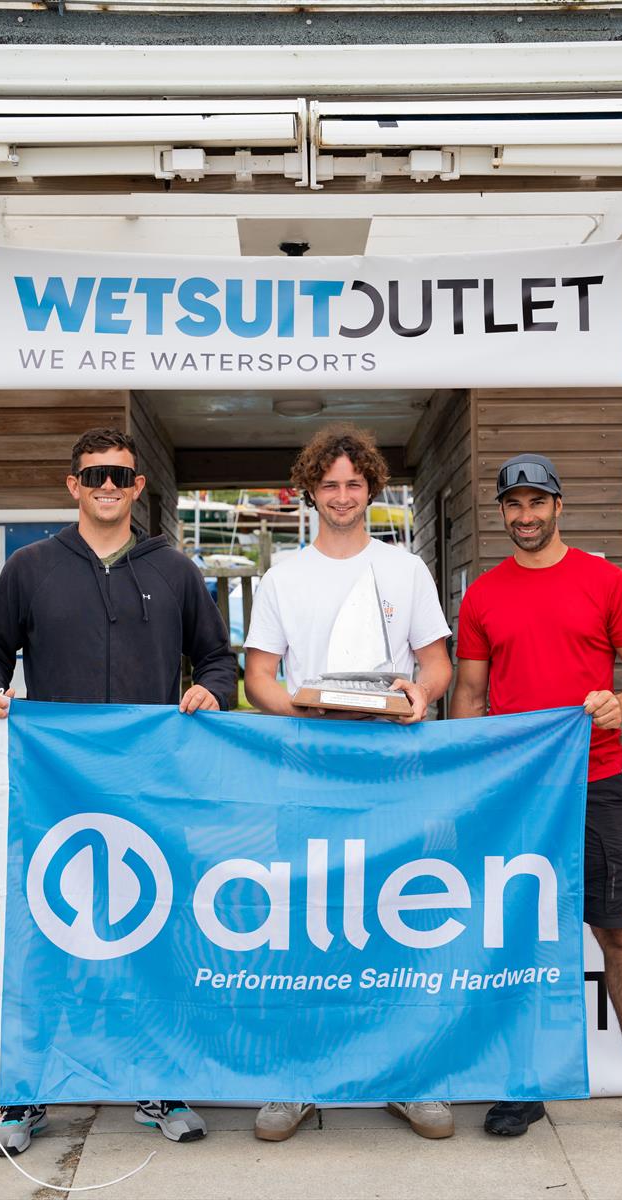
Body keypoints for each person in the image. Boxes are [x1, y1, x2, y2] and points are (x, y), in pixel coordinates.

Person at [0, 427, 237, 1156]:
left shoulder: (176, 571)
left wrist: (211, 692)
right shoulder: (31, 568)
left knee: (154, 938)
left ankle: (157, 1084)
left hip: (152, 791)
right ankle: (27, 1095)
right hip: (55, 792)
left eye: (120, 475)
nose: (108, 487)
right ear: (72, 485)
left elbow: (217, 659)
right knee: (45, 941)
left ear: (139, 487)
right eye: (94, 476)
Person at [450, 452, 622, 1148]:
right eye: (513, 506)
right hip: (513, 789)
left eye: (537, 503)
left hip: (594, 783)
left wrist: (620, 703)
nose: (525, 517)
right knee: (519, 934)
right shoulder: (483, 596)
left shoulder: (604, 581)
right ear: (502, 513)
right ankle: (522, 1082)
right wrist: (459, 779)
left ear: (559, 505)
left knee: (617, 931)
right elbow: (469, 696)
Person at [244, 423, 453, 1143]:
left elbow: (437, 664)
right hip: (305, 780)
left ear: (371, 488)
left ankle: (405, 1077)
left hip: (392, 776)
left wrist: (422, 697)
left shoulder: (406, 571)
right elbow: (259, 679)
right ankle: (298, 1081)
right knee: (306, 928)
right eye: (328, 485)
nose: (341, 496)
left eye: (353, 484)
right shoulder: (283, 577)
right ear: (311, 490)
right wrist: (300, 708)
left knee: (395, 924)